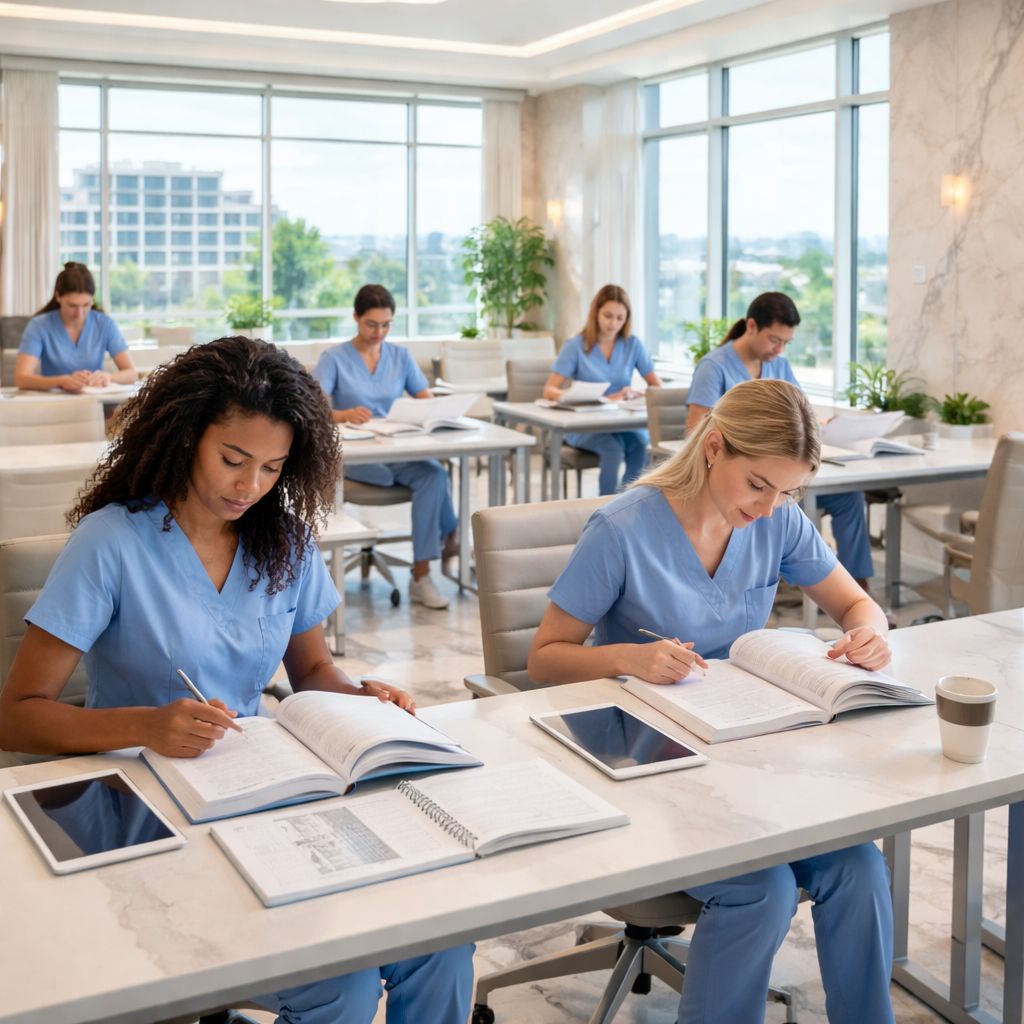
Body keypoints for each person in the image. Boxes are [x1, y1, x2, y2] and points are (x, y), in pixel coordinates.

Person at [0, 337, 473, 1024]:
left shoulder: (282, 541)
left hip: (263, 797)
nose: (249, 485)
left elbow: (311, 671)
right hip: (142, 808)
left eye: (272, 468)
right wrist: (147, 725)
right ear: (188, 436)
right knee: (339, 985)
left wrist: (367, 699)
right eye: (232, 459)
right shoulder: (111, 543)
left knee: (443, 946)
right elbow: (16, 714)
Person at [528, 378, 895, 1024]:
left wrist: (869, 632)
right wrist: (628, 659)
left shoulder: (777, 519)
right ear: (714, 447)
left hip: (749, 766)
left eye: (788, 492)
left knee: (859, 866)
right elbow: (545, 657)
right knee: (762, 889)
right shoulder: (622, 529)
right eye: (759, 485)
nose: (771, 506)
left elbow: (856, 603)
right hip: (652, 769)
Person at [685, 291, 874, 586]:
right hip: (750, 479)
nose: (779, 349)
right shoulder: (714, 367)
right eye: (774, 339)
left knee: (849, 497)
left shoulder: (780, 368)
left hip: (783, 477)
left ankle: (855, 584)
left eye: (786, 343)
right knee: (773, 500)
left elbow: (799, 416)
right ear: (751, 327)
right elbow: (695, 431)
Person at [313, 284, 457, 610]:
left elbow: (425, 400)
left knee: (434, 475)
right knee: (423, 475)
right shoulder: (334, 358)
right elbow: (313, 409)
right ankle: (451, 531)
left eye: (386, 325)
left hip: (396, 450)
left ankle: (421, 576)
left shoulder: (400, 357)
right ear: (356, 318)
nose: (379, 332)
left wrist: (428, 415)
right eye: (371, 324)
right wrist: (342, 414)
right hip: (355, 458)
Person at [542, 284, 662, 495]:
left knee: (641, 446)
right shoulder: (576, 346)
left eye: (619, 318)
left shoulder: (633, 345)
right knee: (613, 450)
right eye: (607, 315)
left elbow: (656, 387)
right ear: (595, 312)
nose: (613, 323)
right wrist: (580, 396)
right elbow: (549, 390)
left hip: (621, 424)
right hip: (585, 427)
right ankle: (605, 510)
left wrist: (637, 393)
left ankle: (626, 505)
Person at [15, 262, 138, 392]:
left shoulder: (104, 324)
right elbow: (21, 379)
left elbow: (131, 373)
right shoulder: (39, 325)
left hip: (97, 402)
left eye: (86, 304)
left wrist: (108, 377)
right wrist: (62, 381)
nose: (79, 313)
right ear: (58, 296)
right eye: (72, 305)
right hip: (53, 403)